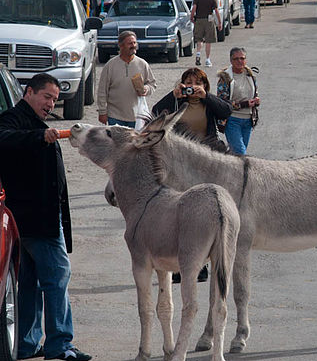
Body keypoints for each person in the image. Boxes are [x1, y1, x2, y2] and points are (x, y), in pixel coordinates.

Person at [0, 73, 91, 361]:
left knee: (30, 283)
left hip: (32, 219)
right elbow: (5, 139)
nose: (51, 104)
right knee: (57, 278)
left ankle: (26, 343)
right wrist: (40, 136)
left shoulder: (32, 121)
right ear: (28, 92)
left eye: (54, 99)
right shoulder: (13, 120)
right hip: (36, 221)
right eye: (47, 97)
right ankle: (59, 343)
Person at [153, 67, 231, 284]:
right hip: (182, 164)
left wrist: (207, 96)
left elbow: (226, 111)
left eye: (197, 83)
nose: (192, 87)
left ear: (204, 85)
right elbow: (156, 112)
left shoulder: (208, 103)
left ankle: (202, 264)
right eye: (188, 82)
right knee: (181, 215)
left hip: (206, 164)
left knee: (204, 216)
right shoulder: (177, 103)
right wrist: (173, 95)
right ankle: (179, 267)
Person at [97, 30, 157, 127]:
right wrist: (102, 112)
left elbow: (152, 84)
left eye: (134, 43)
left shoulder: (142, 64)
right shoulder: (110, 65)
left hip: (137, 117)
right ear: (121, 46)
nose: (133, 45)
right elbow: (102, 91)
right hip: (115, 116)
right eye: (130, 43)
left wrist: (146, 89)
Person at [217, 47, 260, 155]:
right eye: (236, 59)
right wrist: (244, 104)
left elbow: (255, 93)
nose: (239, 61)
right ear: (231, 61)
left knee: (236, 156)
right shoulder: (225, 78)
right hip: (232, 120)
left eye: (242, 58)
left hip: (248, 120)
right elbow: (222, 103)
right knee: (240, 153)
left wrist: (256, 101)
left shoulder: (251, 76)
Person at [190, 0, 221, 68]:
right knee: (208, 40)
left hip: (199, 19)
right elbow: (216, 11)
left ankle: (198, 53)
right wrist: (219, 22)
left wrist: (192, 17)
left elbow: (194, 8)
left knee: (199, 39)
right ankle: (207, 60)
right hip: (209, 20)